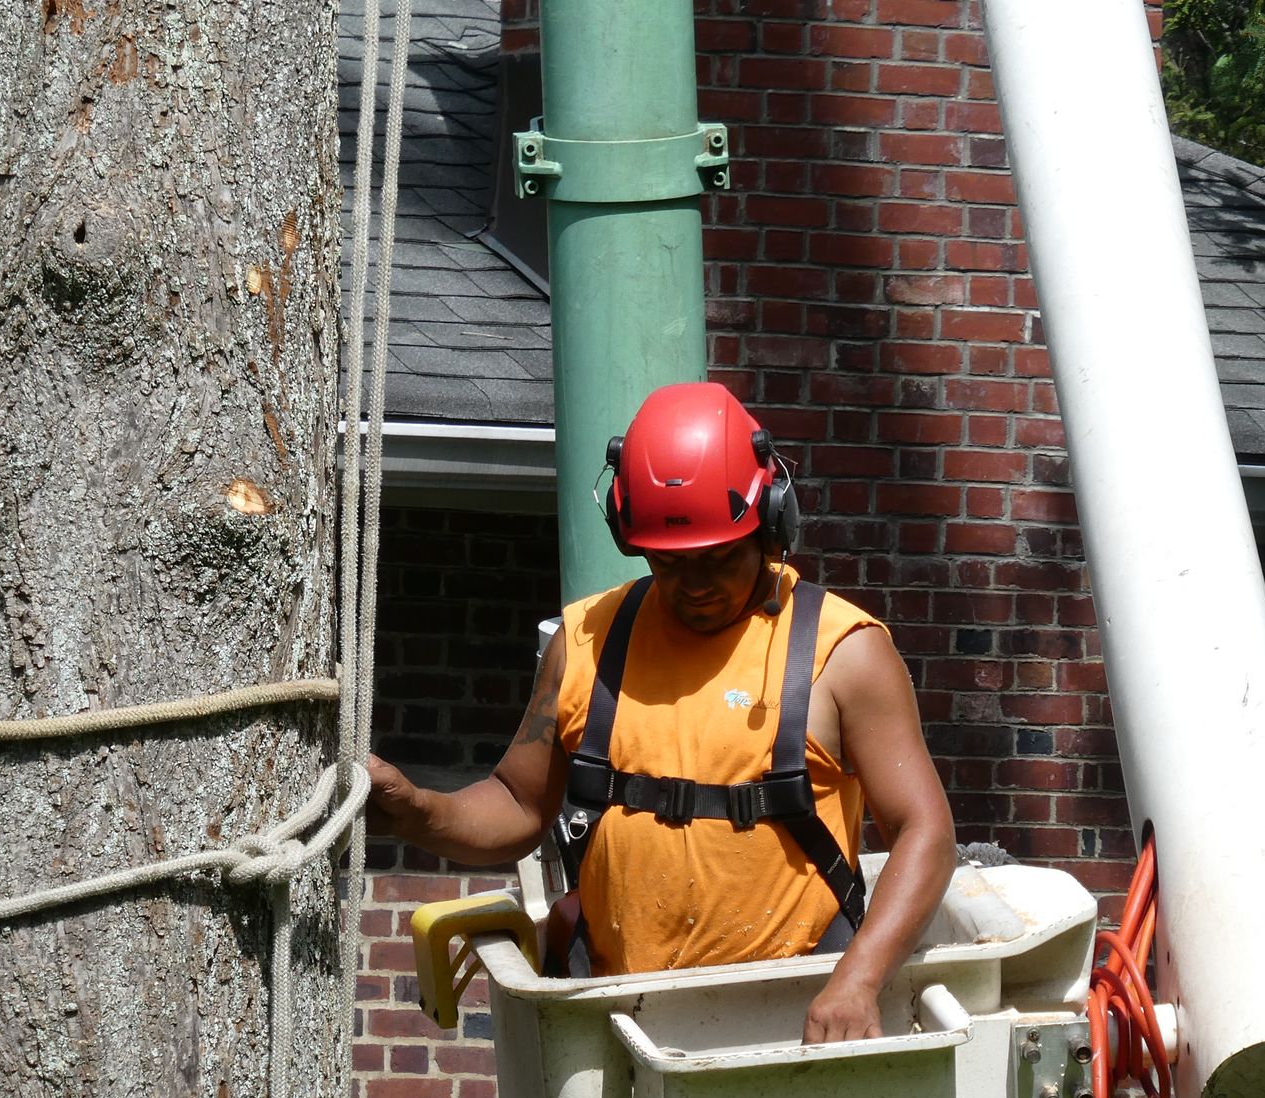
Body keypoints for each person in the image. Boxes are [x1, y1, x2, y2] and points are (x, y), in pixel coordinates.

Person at [366, 382, 955, 1044]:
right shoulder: (584, 642)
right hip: (618, 1016)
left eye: (719, 557)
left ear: (772, 521)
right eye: (669, 563)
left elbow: (925, 832)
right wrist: (419, 810)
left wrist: (859, 979)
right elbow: (518, 803)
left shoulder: (841, 653)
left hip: (789, 1014)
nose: (695, 584)